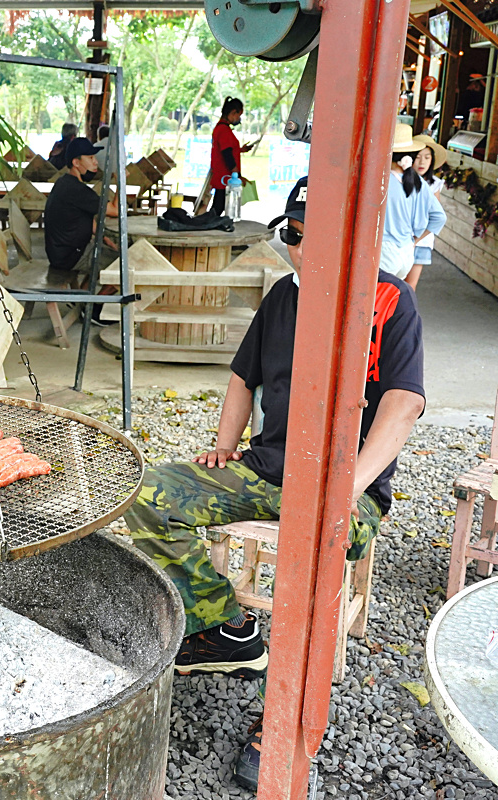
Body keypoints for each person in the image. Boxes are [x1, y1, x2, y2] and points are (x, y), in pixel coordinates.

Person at [123, 176, 426, 791]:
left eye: (323, 235)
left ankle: (282, 719)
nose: (306, 248)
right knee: (149, 494)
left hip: (350, 490)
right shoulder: (282, 298)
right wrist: (225, 446)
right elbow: (242, 377)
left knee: (308, 569)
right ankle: (226, 627)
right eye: (295, 233)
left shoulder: (391, 301)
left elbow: (402, 405)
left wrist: (348, 488)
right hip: (266, 471)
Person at [43, 137, 118, 287]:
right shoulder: (77, 190)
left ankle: (83, 301)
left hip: (60, 253)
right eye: (90, 158)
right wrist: (121, 182)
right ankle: (94, 306)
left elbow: (85, 219)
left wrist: (103, 238)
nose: (95, 162)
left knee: (109, 253)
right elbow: (115, 211)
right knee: (122, 264)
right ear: (76, 163)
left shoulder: (65, 182)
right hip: (70, 256)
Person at [380, 123, 446, 288]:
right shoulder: (419, 182)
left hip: (384, 253)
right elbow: (439, 217)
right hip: (406, 253)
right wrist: (415, 241)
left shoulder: (382, 182)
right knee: (390, 303)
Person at [409, 133, 448, 290]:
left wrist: (416, 240)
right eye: (418, 157)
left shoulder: (434, 184)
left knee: (410, 286)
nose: (422, 162)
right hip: (400, 239)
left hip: (421, 241)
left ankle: (402, 315)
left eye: (427, 157)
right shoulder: (400, 181)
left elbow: (435, 215)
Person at [209, 97, 254, 216]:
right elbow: (227, 154)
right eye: (239, 115)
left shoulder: (221, 129)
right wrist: (237, 176)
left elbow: (226, 150)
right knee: (218, 209)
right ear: (233, 112)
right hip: (225, 178)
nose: (239, 119)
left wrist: (241, 150)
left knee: (219, 207)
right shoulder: (224, 130)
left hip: (223, 176)